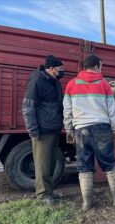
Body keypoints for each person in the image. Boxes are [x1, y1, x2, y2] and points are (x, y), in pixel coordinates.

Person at [63, 54, 115, 211]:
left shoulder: (71, 84)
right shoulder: (104, 84)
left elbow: (67, 110)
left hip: (81, 129)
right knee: (109, 163)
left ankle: (87, 203)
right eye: (100, 66)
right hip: (101, 128)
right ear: (96, 66)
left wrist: (68, 128)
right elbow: (112, 110)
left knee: (84, 165)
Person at [22, 55, 65, 205]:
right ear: (51, 69)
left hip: (54, 128)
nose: (62, 72)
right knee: (42, 164)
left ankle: (49, 192)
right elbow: (27, 107)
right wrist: (33, 130)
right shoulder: (37, 81)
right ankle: (42, 195)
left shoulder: (55, 82)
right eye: (60, 69)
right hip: (43, 130)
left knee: (51, 163)